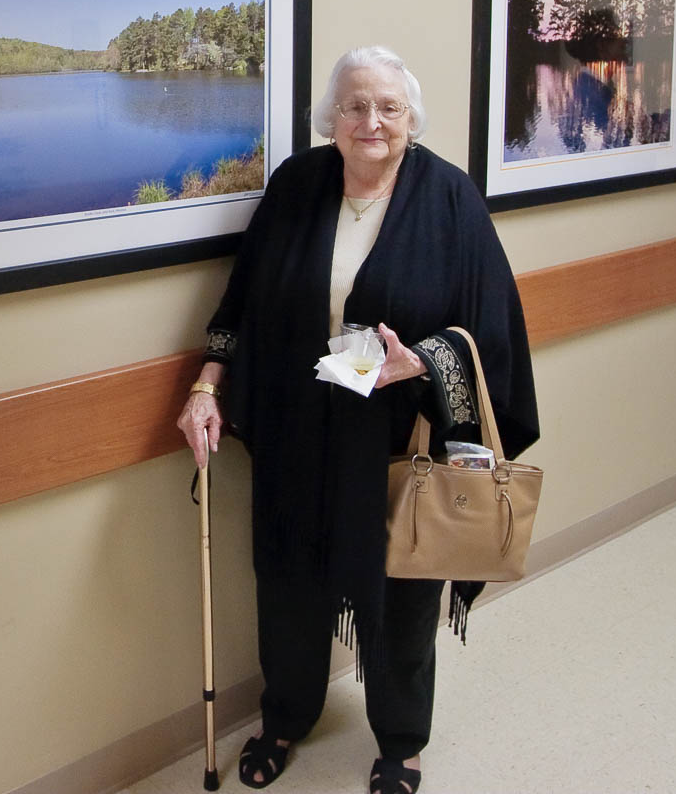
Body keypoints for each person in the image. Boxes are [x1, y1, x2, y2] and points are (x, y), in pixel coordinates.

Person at [177, 46, 538, 794]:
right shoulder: (297, 186)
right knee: (285, 577)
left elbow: (493, 329)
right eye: (354, 107)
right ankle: (286, 715)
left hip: (394, 434)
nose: (371, 122)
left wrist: (426, 361)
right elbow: (242, 301)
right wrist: (208, 386)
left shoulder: (450, 200)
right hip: (297, 426)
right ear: (330, 119)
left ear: (410, 118)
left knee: (401, 589)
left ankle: (401, 742)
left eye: (389, 108)